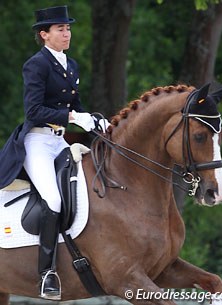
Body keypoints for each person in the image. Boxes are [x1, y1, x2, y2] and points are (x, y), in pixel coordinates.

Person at [0, 5, 108, 301]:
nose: (67, 33)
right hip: (37, 142)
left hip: (60, 141)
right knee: (54, 199)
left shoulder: (70, 65)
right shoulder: (36, 65)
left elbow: (78, 106)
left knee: (88, 188)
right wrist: (74, 117)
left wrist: (95, 119)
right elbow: (33, 110)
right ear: (44, 34)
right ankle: (47, 272)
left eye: (68, 28)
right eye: (61, 29)